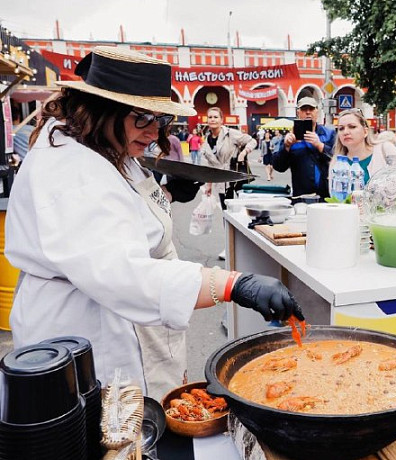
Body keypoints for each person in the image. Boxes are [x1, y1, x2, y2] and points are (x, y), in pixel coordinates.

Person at [4, 46, 303, 401]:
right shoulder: (72, 168)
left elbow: (124, 215)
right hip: (87, 331)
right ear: (101, 110)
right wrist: (233, 284)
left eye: (160, 120)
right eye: (142, 117)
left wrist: (169, 194)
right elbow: (120, 271)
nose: (152, 132)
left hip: (132, 319)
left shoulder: (108, 148)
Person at [272, 97, 336, 197]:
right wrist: (286, 147)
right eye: (304, 109)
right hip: (301, 196)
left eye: (311, 109)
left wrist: (320, 146)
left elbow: (339, 159)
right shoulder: (290, 136)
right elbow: (279, 167)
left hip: (327, 194)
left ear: (317, 111)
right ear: (298, 113)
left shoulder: (329, 134)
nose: (308, 112)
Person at [199, 106, 257, 208]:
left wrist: (243, 153)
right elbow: (211, 166)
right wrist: (209, 185)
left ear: (221, 120)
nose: (212, 119)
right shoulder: (206, 141)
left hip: (237, 176)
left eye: (216, 117)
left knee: (244, 209)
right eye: (210, 117)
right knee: (226, 211)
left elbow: (252, 141)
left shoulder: (230, 134)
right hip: (222, 181)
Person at [330, 108, 396, 185]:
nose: (345, 132)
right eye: (341, 128)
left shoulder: (385, 149)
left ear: (365, 132)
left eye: (352, 127)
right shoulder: (336, 162)